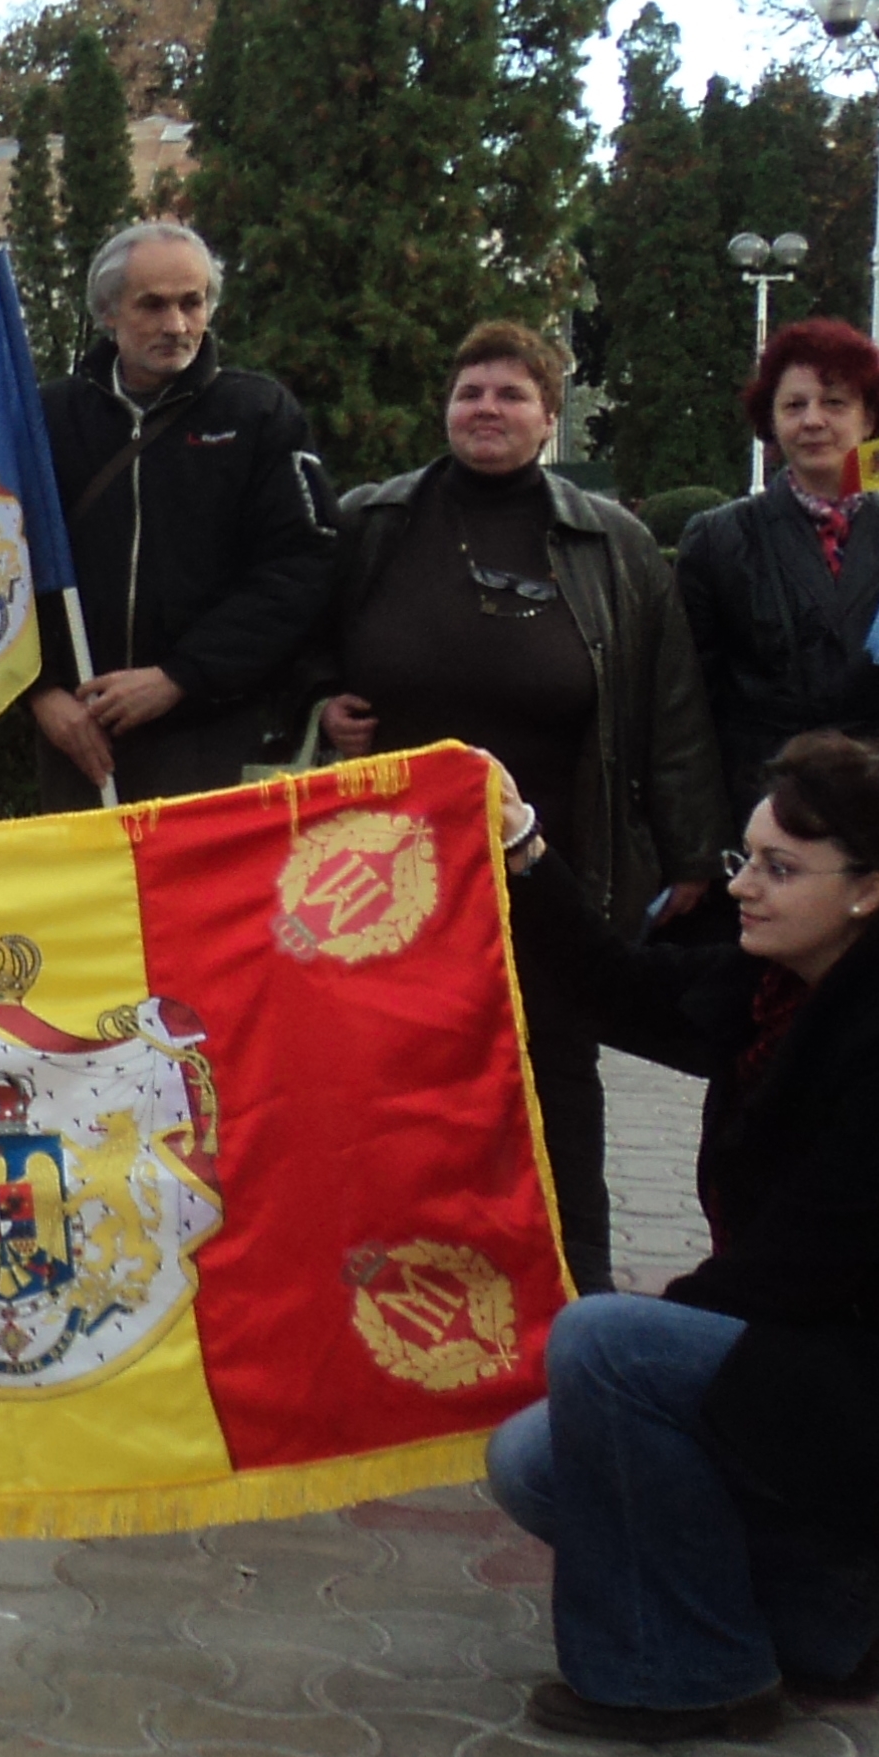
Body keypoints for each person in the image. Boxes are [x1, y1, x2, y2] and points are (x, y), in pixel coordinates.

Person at [486, 731, 879, 1742]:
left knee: (601, 1355)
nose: (744, 886)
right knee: (534, 1458)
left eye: (780, 869)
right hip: (831, 1371)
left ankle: (693, 1672)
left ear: (871, 890)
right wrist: (524, 846)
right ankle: (818, 1612)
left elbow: (787, 1277)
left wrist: (623, 1349)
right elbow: (617, 987)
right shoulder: (781, 992)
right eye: (745, 858)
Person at [311, 320, 723, 1295]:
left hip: (549, 874)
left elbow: (668, 706)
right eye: (469, 394)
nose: (485, 410)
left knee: (555, 1098)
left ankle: (573, 1300)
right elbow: (307, 645)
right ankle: (389, 1299)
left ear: (547, 415)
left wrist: (693, 854)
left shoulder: (611, 543)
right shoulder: (371, 522)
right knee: (395, 1097)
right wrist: (322, 706)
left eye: (509, 395)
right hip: (386, 881)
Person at [26, 222, 334, 806]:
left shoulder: (261, 414)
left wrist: (181, 677)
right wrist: (41, 694)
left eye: (192, 303)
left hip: (214, 735)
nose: (176, 325)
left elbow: (300, 567)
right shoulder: (45, 419)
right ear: (107, 312)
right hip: (77, 742)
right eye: (153, 305)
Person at [675, 317, 879, 814]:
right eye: (794, 405)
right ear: (770, 421)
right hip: (772, 804)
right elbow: (687, 701)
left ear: (869, 417)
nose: (812, 420)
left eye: (834, 403)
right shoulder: (718, 538)